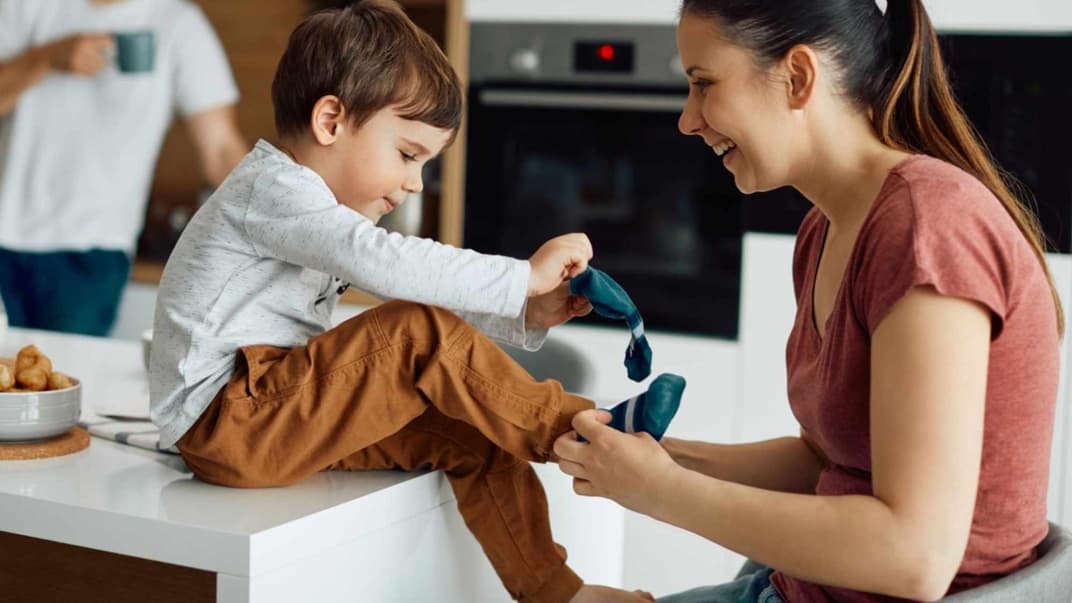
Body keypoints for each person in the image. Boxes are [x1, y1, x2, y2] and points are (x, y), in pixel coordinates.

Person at [150, 2, 681, 601]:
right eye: (408, 154)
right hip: (227, 421)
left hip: (269, 416)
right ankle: (584, 429)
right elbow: (390, 268)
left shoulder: (316, 213)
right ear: (331, 121)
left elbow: (406, 283)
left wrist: (524, 308)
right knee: (412, 330)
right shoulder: (273, 188)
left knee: (473, 432)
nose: (414, 183)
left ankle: (558, 592)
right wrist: (522, 277)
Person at [554, 1, 1062, 601]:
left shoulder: (926, 228)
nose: (688, 121)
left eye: (704, 84)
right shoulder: (827, 229)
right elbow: (827, 465)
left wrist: (661, 490)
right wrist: (652, 458)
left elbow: (916, 558)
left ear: (797, 76)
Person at [0, 0, 247, 336]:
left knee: (67, 368)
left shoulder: (179, 25)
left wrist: (286, 223)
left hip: (94, 253)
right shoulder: (24, 6)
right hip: (4, 233)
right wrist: (46, 58)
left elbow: (220, 151)